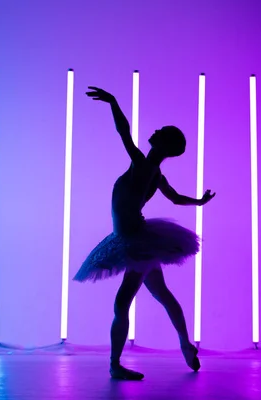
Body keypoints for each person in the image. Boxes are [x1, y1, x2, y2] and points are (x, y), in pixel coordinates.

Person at [73, 87, 216, 380]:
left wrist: (113, 102)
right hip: (133, 238)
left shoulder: (143, 164)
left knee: (123, 302)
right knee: (161, 294)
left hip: (136, 242)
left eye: (161, 131)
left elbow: (123, 133)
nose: (155, 130)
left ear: (164, 144)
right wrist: (199, 201)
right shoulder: (153, 172)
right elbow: (175, 198)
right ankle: (186, 346)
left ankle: (115, 365)